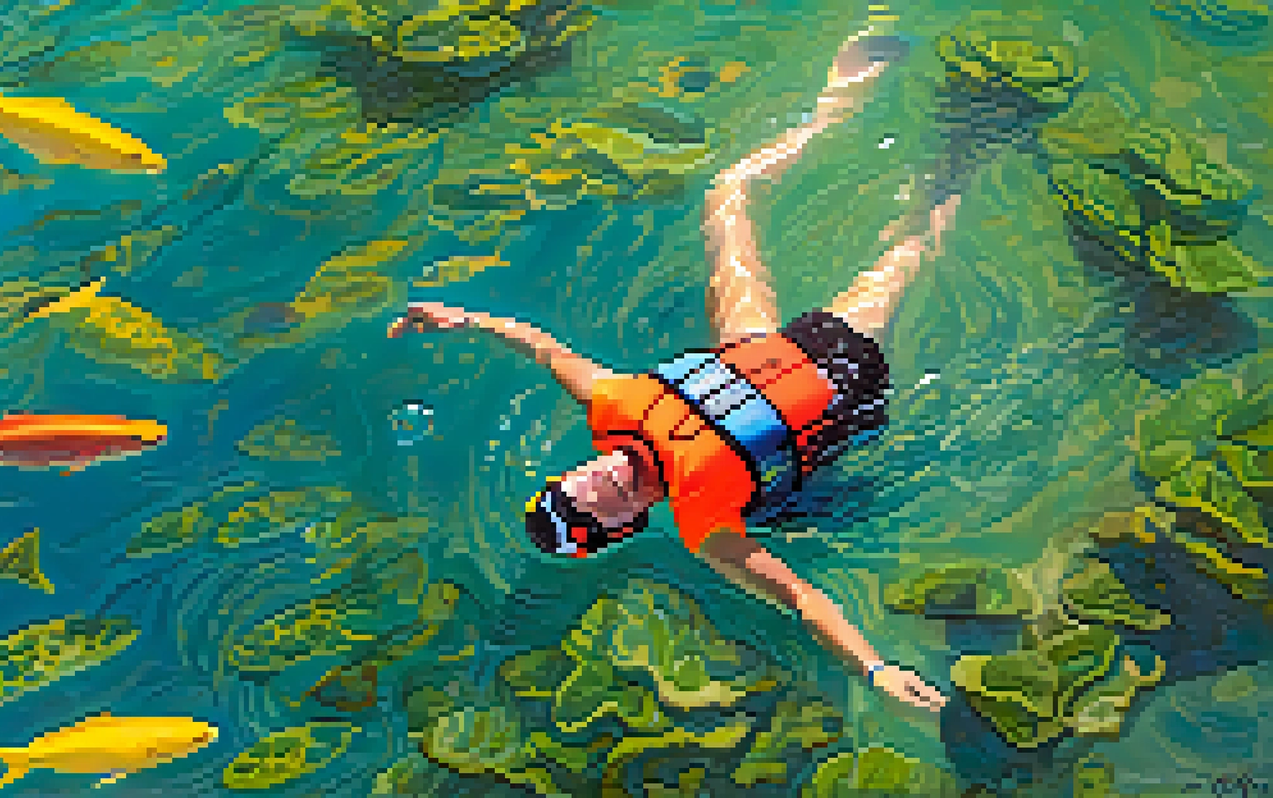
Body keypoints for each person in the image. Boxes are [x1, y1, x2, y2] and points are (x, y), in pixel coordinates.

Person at [388, 29, 957, 712]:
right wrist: (874, 669)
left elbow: (541, 348)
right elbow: (802, 598)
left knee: (727, 196)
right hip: (837, 375)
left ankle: (835, 104)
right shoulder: (705, 521)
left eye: (578, 480)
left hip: (748, 352)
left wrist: (462, 319)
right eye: (597, 500)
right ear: (627, 521)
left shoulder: (614, 406)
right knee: (907, 251)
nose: (594, 479)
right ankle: (964, 154)